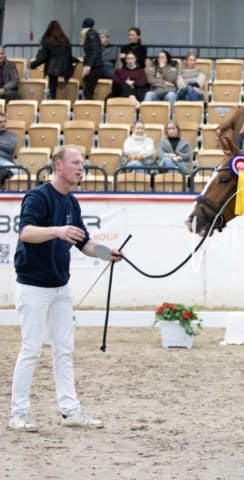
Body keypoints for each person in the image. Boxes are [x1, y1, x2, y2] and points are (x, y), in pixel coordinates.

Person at [9, 145, 122, 432]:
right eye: (75, 163)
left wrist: (107, 253)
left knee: (64, 349)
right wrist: (57, 231)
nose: (80, 168)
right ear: (58, 165)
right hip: (33, 285)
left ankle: (70, 410)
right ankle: (18, 414)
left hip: (60, 286)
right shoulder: (38, 196)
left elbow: (83, 243)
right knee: (31, 348)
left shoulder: (72, 203)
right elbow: (26, 232)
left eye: (82, 164)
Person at [29, 20, 74, 100]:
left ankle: (52, 106)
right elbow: (70, 55)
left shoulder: (47, 40)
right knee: (67, 90)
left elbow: (42, 57)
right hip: (66, 68)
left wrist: (32, 65)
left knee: (52, 91)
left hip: (53, 69)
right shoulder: (65, 40)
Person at [80, 18, 102, 100]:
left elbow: (95, 51)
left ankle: (91, 110)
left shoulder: (91, 34)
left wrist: (89, 65)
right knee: (88, 91)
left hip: (94, 66)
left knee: (88, 91)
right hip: (93, 65)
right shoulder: (91, 34)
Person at [0, 112, 17, 188]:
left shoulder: (11, 135)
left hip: (6, 163)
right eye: (0, 122)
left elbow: (10, 146)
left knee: (16, 170)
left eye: (4, 122)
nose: (3, 124)